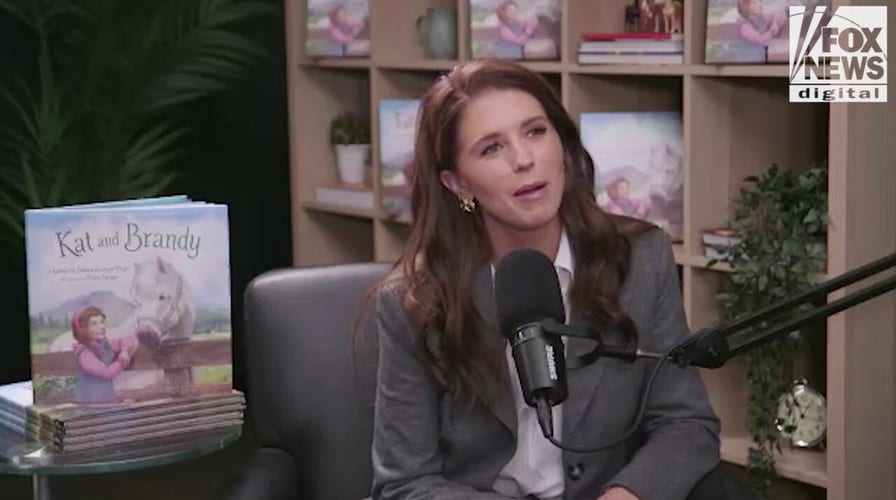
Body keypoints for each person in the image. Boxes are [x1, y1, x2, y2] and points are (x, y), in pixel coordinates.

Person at [366, 59, 720, 500]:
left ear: (562, 145)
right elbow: (404, 483)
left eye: (535, 132)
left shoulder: (640, 260)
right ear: (457, 184)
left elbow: (685, 423)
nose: (524, 159)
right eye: (491, 148)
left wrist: (627, 495)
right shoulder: (415, 301)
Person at [71, 306, 137, 404]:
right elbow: (107, 373)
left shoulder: (104, 344)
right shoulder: (84, 354)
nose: (101, 327)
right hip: (90, 403)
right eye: (94, 324)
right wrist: (122, 361)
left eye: (102, 322)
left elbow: (127, 339)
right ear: (83, 329)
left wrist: (124, 351)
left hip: (106, 400)